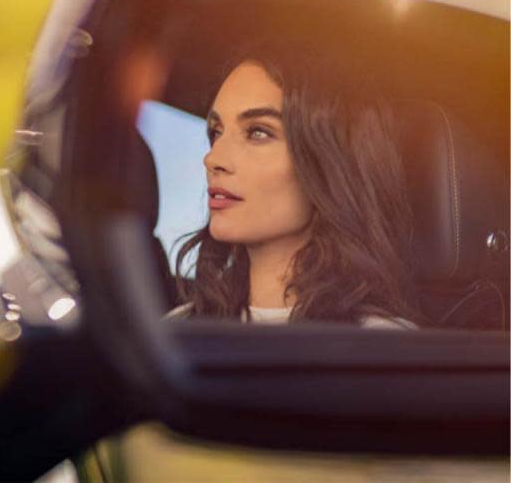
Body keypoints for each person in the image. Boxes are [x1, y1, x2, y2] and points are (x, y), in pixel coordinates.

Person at [167, 42, 418, 328]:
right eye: (216, 132)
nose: (213, 159)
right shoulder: (175, 327)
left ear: (329, 163)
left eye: (258, 132)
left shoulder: (382, 341)